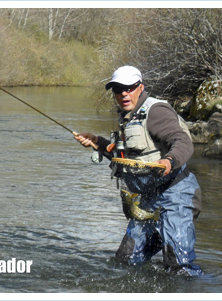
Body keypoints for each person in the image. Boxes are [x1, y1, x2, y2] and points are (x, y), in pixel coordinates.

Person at [74, 66, 202, 275]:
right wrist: (97, 142)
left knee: (178, 267)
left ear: (140, 87)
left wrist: (169, 161)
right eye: (117, 89)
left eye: (129, 88)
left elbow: (183, 142)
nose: (123, 93)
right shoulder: (128, 116)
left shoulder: (156, 111)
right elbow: (130, 159)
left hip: (177, 194)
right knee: (127, 260)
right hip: (149, 199)